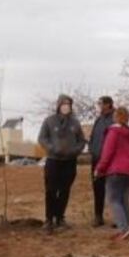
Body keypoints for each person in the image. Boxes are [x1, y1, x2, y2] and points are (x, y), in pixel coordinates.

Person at [37, 94, 87, 232]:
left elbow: (82, 141)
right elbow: (42, 138)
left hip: (69, 162)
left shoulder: (75, 123)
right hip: (53, 161)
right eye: (63, 103)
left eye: (68, 104)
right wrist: (52, 148)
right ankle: (49, 219)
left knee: (65, 190)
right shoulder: (49, 121)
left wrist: (75, 151)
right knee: (51, 190)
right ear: (58, 105)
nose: (66, 106)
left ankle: (60, 218)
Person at [95, 106, 129, 240]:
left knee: (114, 199)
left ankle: (123, 228)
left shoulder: (113, 132)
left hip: (117, 170)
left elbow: (107, 153)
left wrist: (100, 169)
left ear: (116, 117)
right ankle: (128, 226)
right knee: (124, 199)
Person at [88, 96, 115, 227]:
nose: (99, 106)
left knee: (113, 189)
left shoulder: (115, 119)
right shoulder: (98, 120)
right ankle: (98, 216)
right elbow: (93, 137)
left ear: (108, 104)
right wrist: (92, 150)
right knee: (98, 189)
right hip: (96, 159)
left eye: (101, 103)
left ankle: (117, 217)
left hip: (111, 161)